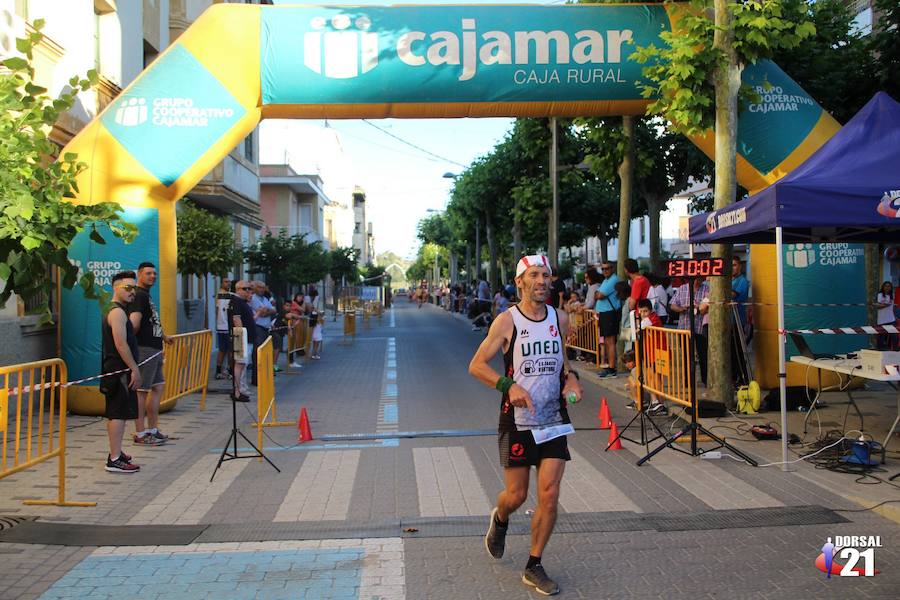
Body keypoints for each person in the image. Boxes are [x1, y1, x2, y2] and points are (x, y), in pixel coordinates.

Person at [469, 254, 582, 597]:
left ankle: (534, 564)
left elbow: (564, 362)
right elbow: (476, 366)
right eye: (534, 275)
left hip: (553, 418)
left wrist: (572, 380)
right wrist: (509, 386)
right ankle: (500, 518)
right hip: (517, 421)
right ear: (520, 282)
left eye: (546, 275)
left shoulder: (559, 319)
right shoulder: (507, 321)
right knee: (516, 495)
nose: (542, 281)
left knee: (549, 494)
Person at [101, 271, 142, 473]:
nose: (132, 292)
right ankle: (115, 459)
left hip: (119, 369)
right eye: (127, 288)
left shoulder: (117, 310)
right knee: (117, 413)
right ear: (115, 287)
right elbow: (120, 343)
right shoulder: (116, 312)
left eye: (134, 288)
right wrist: (134, 368)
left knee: (121, 412)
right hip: (118, 370)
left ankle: (116, 453)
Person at [128, 262, 172, 446]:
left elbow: (151, 321)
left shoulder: (146, 296)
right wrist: (130, 344)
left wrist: (164, 336)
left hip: (154, 348)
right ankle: (140, 432)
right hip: (145, 349)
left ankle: (153, 429)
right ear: (139, 275)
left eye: (154, 273)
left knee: (158, 387)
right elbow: (135, 323)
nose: (152, 276)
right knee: (141, 392)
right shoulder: (139, 295)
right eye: (148, 273)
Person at [670, 276, 710, 386]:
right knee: (687, 356)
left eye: (699, 279)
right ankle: (688, 381)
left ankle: (705, 379)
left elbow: (710, 306)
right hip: (684, 327)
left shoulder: (707, 289)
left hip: (700, 327)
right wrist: (682, 309)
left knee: (703, 355)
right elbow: (673, 305)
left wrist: (700, 308)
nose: (697, 281)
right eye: (695, 279)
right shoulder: (682, 288)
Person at [228, 280, 255, 401]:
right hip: (240, 338)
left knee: (243, 364)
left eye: (250, 289)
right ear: (238, 289)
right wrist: (242, 337)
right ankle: (238, 390)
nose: (248, 291)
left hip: (245, 338)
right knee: (240, 363)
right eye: (246, 289)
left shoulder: (242, 301)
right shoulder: (237, 301)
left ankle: (241, 389)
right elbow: (236, 319)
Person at [595, 262, 621, 377]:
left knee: (610, 342)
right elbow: (597, 293)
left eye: (607, 268)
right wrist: (598, 294)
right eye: (603, 269)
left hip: (610, 313)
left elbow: (599, 295)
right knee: (606, 341)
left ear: (612, 268)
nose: (605, 271)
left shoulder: (613, 280)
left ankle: (611, 368)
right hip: (605, 313)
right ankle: (609, 366)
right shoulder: (606, 280)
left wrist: (598, 294)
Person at [249, 281, 276, 385]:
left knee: (264, 353)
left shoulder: (265, 299)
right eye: (259, 287)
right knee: (258, 353)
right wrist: (267, 311)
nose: (262, 289)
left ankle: (263, 377)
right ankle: (256, 379)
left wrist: (267, 311)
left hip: (266, 328)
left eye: (263, 288)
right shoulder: (254, 299)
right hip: (258, 327)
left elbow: (273, 310)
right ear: (255, 288)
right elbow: (263, 313)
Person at [214, 278, 233, 380]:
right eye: (226, 281)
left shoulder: (227, 295)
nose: (228, 283)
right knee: (224, 350)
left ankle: (226, 370)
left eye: (229, 281)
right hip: (223, 327)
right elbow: (218, 310)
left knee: (228, 350)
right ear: (221, 283)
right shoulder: (222, 295)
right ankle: (220, 371)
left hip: (226, 326)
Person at [875, 281, 897, 350]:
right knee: (881, 337)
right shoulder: (880, 295)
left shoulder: (892, 295)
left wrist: (894, 315)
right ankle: (880, 351)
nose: (887, 288)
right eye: (886, 286)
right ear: (883, 287)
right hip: (882, 320)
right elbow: (878, 306)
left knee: (894, 336)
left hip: (891, 319)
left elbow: (892, 307)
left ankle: (895, 351)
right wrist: (886, 305)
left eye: (889, 286)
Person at [309, 288, 323, 359]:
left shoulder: (313, 300)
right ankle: (314, 353)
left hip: (314, 321)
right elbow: (318, 311)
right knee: (317, 339)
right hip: (316, 322)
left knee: (315, 339)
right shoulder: (316, 300)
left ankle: (314, 353)